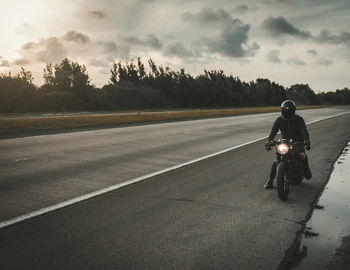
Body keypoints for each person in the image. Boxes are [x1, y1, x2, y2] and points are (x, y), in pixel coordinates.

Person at [264, 100, 312, 189]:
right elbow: (273, 131)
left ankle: (306, 170)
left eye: (289, 112)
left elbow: (304, 130)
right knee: (276, 160)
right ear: (282, 111)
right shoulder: (279, 120)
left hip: (298, 143)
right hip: (285, 142)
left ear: (293, 111)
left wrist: (306, 141)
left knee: (302, 155)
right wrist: (269, 141)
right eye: (285, 112)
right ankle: (270, 181)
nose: (287, 114)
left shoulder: (299, 119)